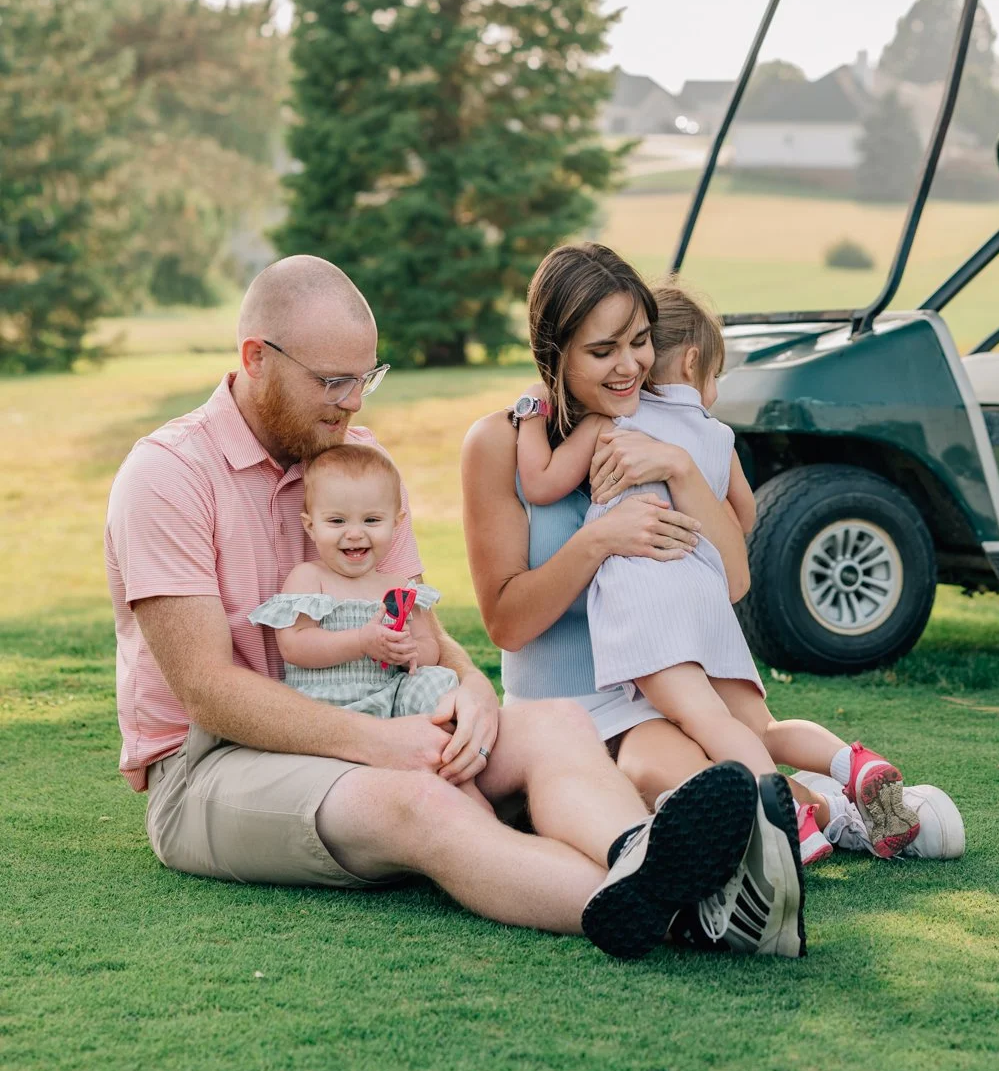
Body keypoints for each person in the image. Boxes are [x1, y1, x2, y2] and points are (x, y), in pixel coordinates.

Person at [104, 253, 803, 961]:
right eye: (333, 382)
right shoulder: (167, 477)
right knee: (422, 799)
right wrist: (380, 745)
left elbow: (422, 629)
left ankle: (639, 851)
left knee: (558, 723)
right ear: (256, 358)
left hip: (383, 712)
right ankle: (695, 915)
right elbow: (209, 692)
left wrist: (470, 690)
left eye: (365, 379)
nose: (353, 403)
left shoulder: (359, 459)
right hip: (217, 765)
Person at [462, 245, 963, 896]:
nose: (629, 366)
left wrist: (677, 468)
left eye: (640, 341)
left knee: (733, 735)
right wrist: (600, 542)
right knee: (668, 771)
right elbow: (506, 623)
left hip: (669, 669)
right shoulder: (501, 441)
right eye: (602, 350)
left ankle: (839, 808)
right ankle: (833, 812)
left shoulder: (666, 423)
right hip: (577, 706)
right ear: (553, 354)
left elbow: (733, 581)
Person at [248, 440, 456, 724]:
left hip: (389, 698)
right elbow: (294, 646)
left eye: (371, 520)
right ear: (311, 526)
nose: (355, 533)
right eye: (337, 521)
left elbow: (428, 643)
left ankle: (444, 746)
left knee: (439, 681)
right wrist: (360, 642)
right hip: (324, 707)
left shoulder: (399, 586)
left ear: (396, 523)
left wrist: (410, 650)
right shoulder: (309, 577)